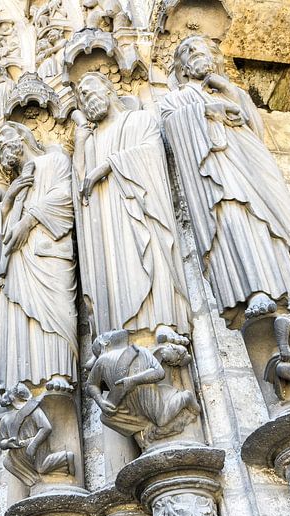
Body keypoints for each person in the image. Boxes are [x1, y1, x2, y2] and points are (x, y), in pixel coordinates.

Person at [159, 35, 290, 327]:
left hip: (251, 160)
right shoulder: (176, 98)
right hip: (216, 170)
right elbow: (170, 129)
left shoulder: (232, 91)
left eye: (201, 48)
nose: (196, 53)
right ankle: (256, 290)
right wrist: (207, 111)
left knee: (272, 221)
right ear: (181, 68)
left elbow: (255, 129)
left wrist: (228, 92)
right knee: (234, 219)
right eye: (188, 52)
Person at [72, 72, 190, 340]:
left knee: (150, 254)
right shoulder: (91, 140)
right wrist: (79, 142)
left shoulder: (139, 120)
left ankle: (163, 323)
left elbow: (152, 154)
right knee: (116, 269)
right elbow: (81, 185)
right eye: (81, 100)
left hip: (140, 207)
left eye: (89, 93)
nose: (86, 102)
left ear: (109, 88)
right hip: (106, 219)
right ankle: (120, 335)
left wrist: (108, 165)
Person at [0, 122, 78, 392]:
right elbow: (0, 234)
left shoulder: (54, 161)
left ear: (23, 136)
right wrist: (8, 202)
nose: (1, 149)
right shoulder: (16, 185)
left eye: (5, 139)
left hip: (48, 248)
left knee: (55, 310)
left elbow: (65, 196)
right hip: (19, 259)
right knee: (18, 311)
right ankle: (21, 382)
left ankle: (59, 373)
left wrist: (28, 221)